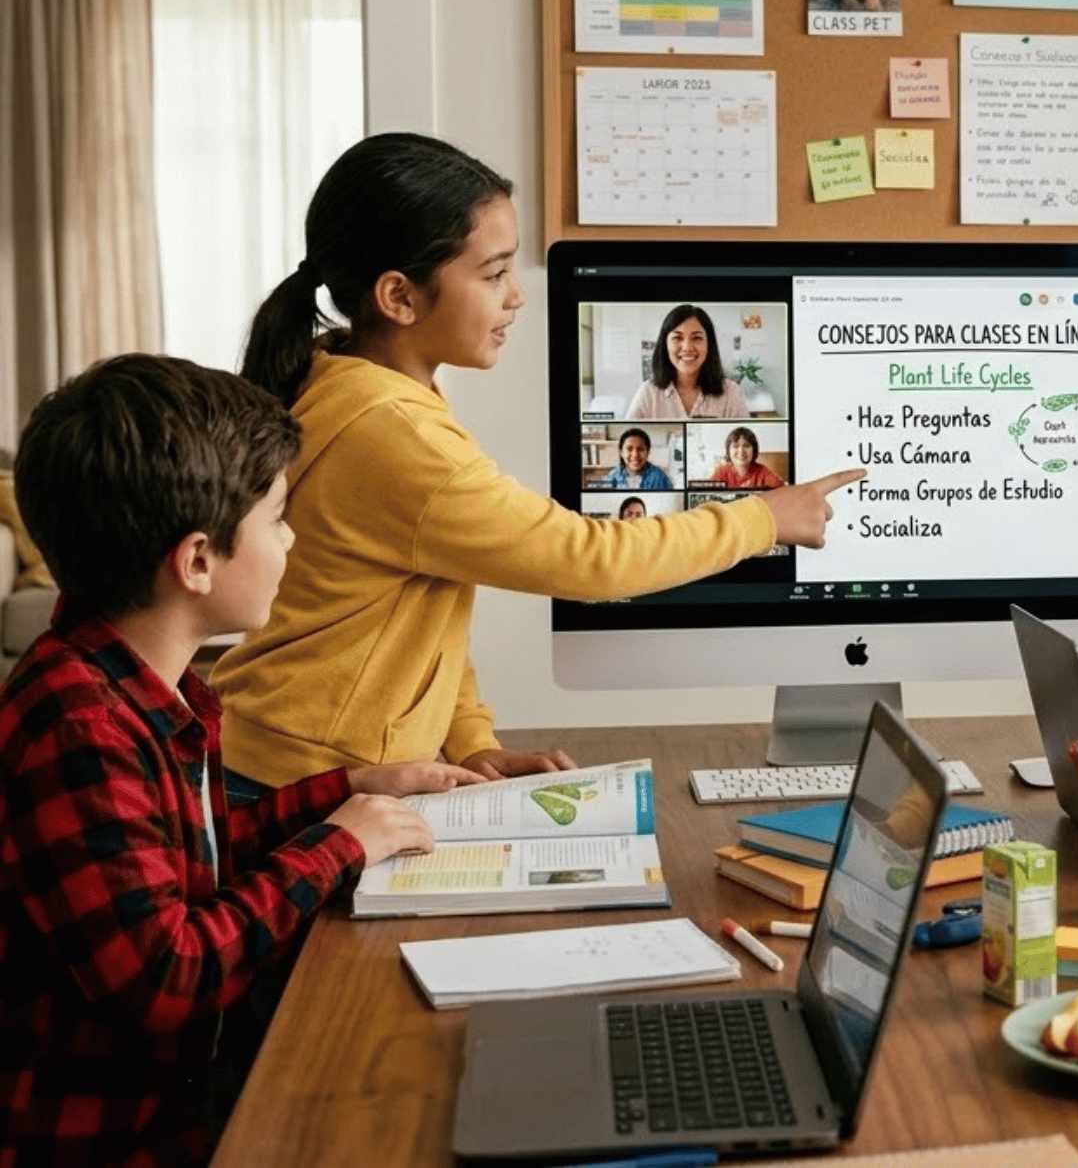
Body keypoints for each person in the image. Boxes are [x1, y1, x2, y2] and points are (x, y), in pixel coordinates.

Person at [217, 133, 862, 793]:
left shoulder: (364, 385)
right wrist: (761, 520)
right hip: (298, 779)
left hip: (301, 760)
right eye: (494, 274)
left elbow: (420, 608)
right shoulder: (391, 430)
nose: (516, 296)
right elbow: (587, 558)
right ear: (400, 297)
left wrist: (469, 741)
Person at [0, 355, 476, 1162]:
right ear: (195, 561)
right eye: (279, 518)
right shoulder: (76, 721)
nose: (292, 541)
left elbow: (190, 858)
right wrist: (342, 844)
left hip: (176, 1110)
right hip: (106, 1143)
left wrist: (350, 790)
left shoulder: (143, 677)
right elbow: (168, 975)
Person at [625, 305, 750, 419]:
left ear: (709, 344)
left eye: (697, 338)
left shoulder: (731, 393)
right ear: (665, 344)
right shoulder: (648, 393)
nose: (687, 347)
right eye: (677, 338)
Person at [709, 426, 785, 490]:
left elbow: (782, 489)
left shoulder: (763, 472)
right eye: (735, 446)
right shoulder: (721, 472)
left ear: (754, 450)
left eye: (746, 446)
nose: (741, 451)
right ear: (728, 451)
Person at [604, 427, 671, 490]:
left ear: (648, 452)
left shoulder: (659, 477)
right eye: (629, 449)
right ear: (621, 452)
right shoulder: (613, 476)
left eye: (641, 449)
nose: (635, 455)